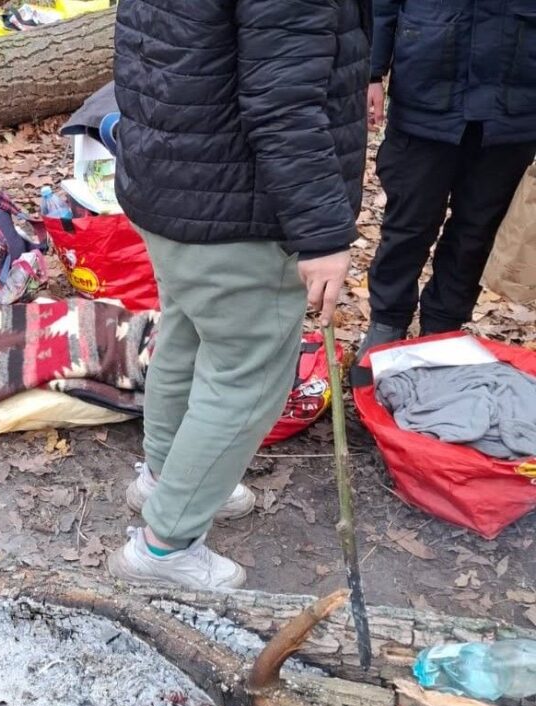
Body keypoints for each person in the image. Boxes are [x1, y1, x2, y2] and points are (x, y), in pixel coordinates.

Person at [108, 0, 371, 591]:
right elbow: (283, 103)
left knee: (187, 332)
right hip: (237, 206)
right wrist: (322, 234)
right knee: (245, 377)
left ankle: (163, 480)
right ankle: (165, 547)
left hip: (174, 179)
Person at [356, 1, 536, 368]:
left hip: (514, 103)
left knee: (477, 231)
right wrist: (371, 72)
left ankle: (442, 330)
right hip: (427, 87)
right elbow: (381, 5)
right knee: (409, 223)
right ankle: (387, 322)